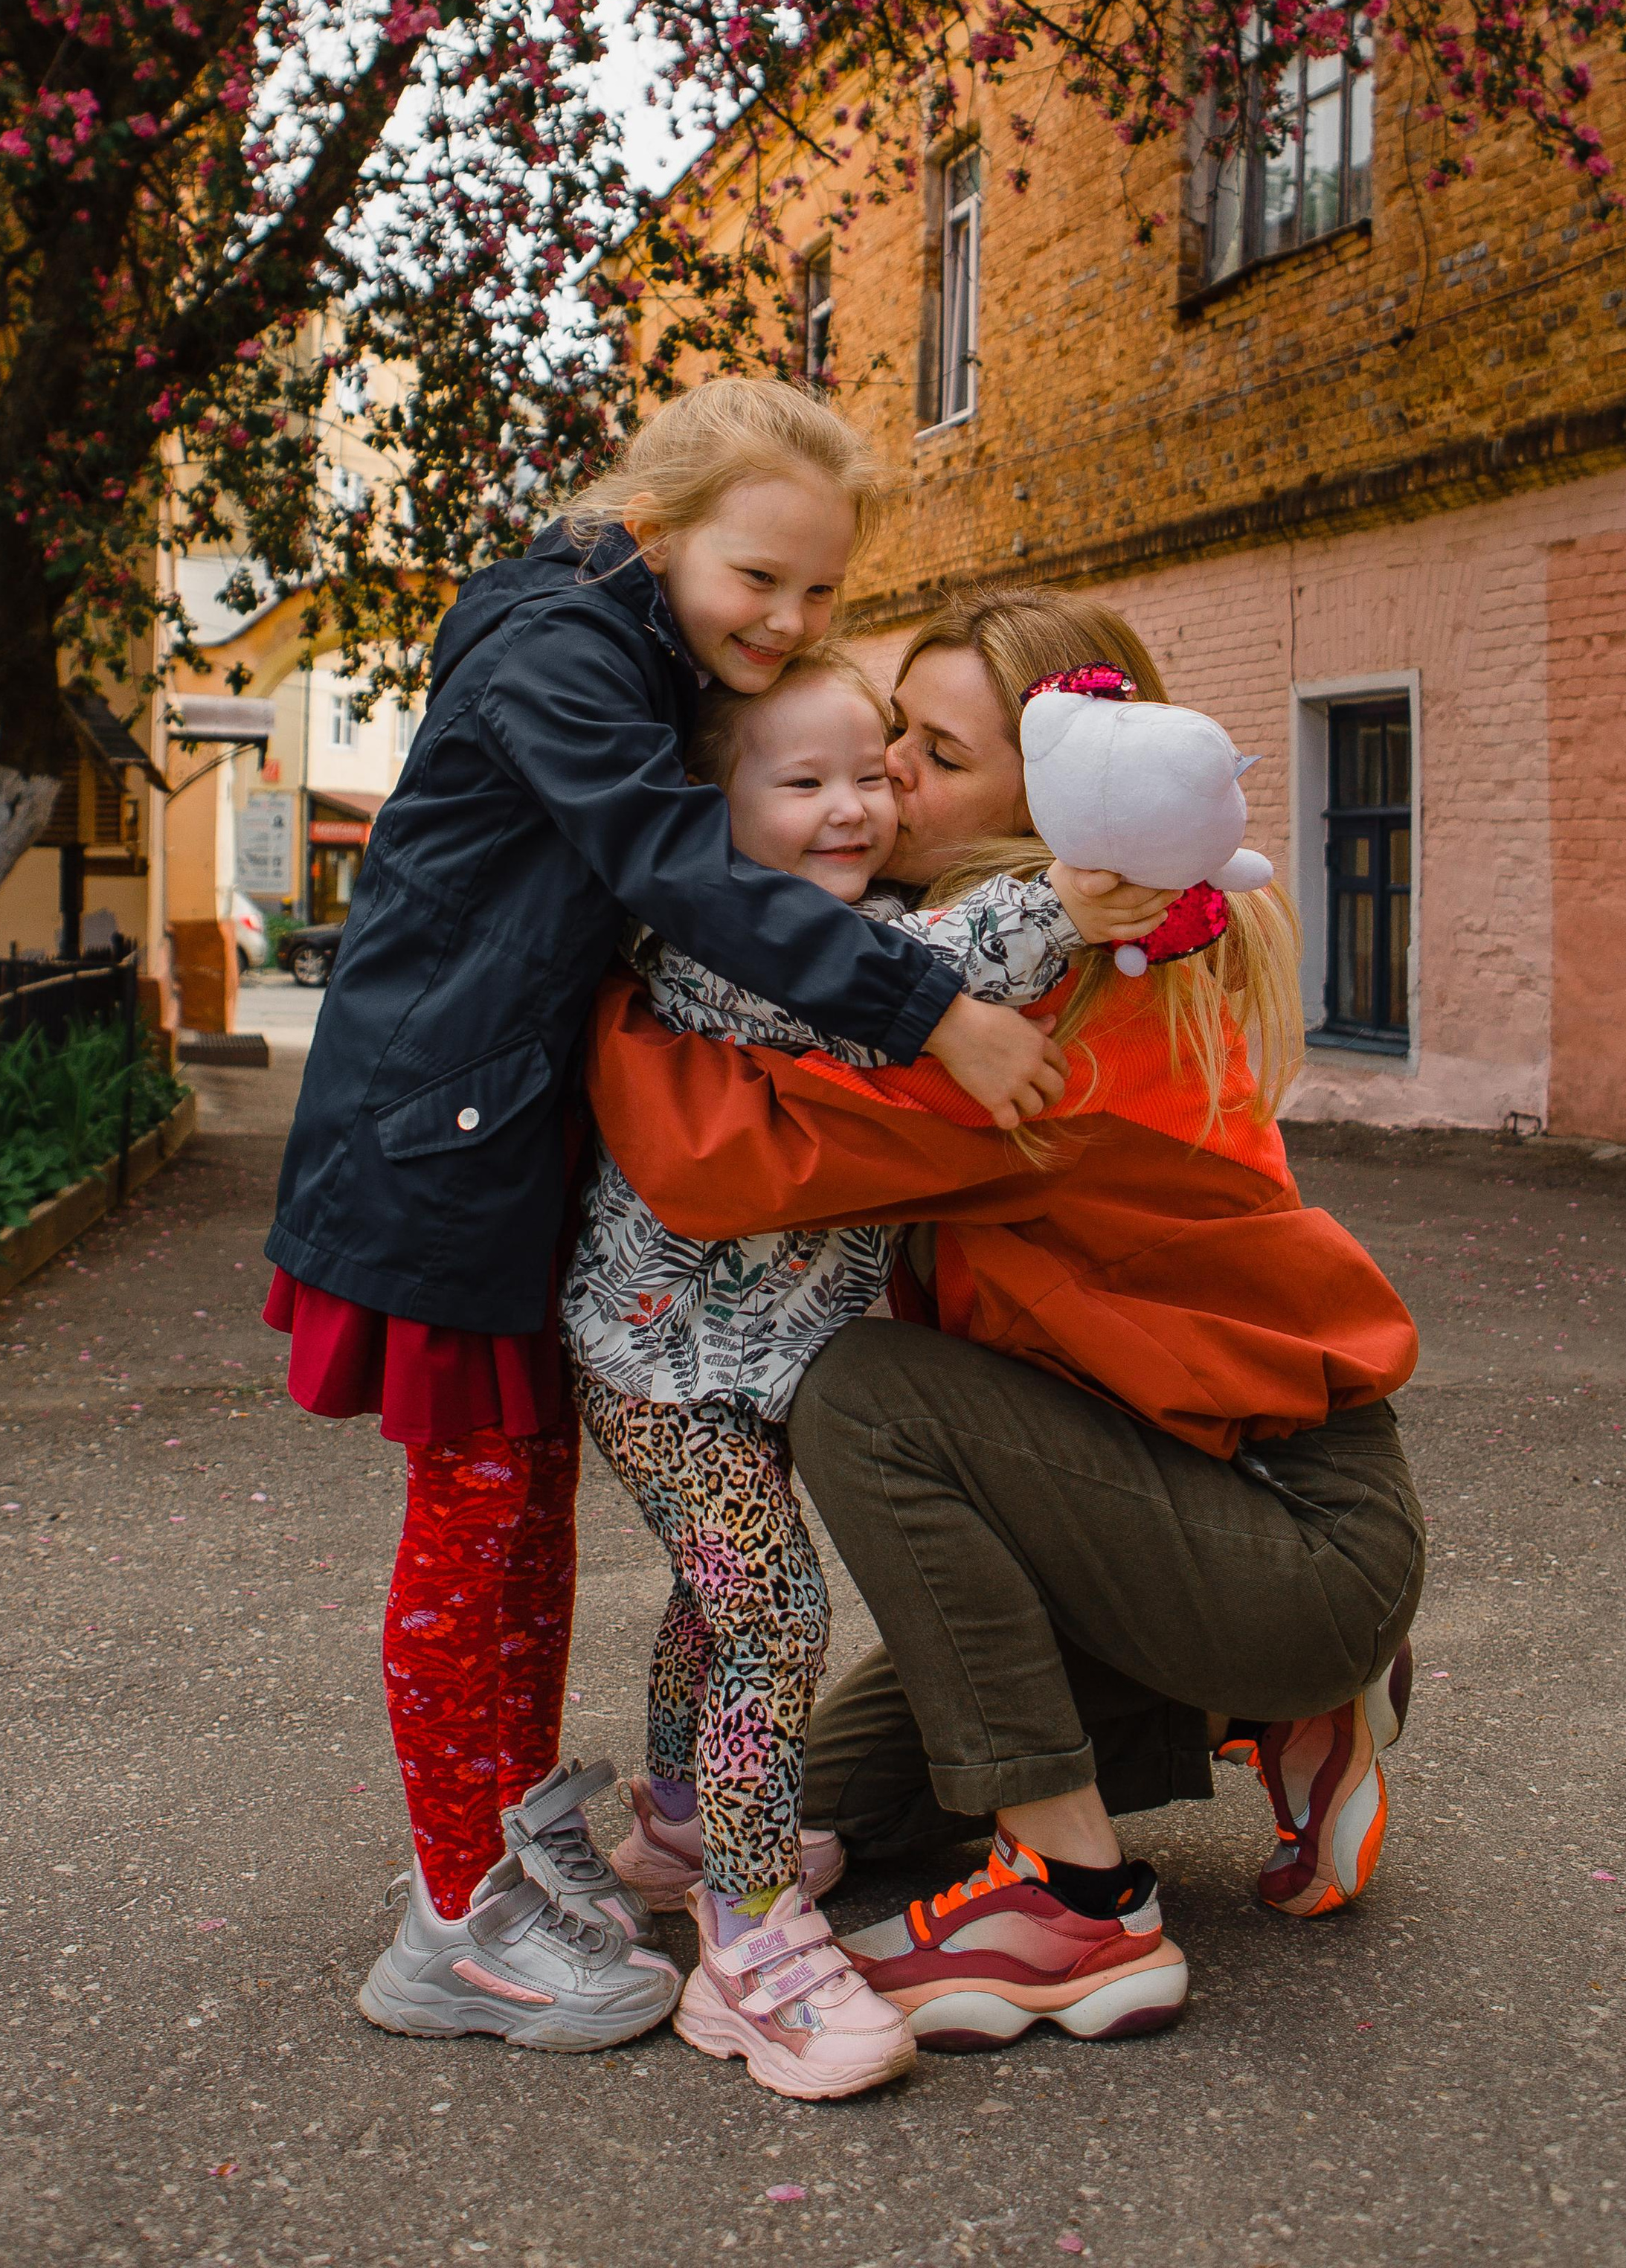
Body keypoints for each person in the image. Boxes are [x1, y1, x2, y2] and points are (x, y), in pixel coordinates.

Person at [260, 385, 1079, 2053]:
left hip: (488, 1135)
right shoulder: (568, 659)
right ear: (656, 530)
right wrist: (935, 1016)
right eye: (757, 578)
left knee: (522, 1525)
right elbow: (677, 867)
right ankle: (454, 1919)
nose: (786, 621)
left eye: (822, 593)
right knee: (476, 1539)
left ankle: (517, 1842)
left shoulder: (627, 648)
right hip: (438, 1151)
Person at [583, 585, 1427, 2053]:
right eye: (889, 729)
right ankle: (1267, 1701)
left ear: (1051, 809)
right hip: (1163, 1488)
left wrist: (616, 986)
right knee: (823, 1801)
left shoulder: (1044, 1019)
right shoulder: (976, 958)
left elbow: (704, 1154)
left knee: (861, 1392)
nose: (883, 770)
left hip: (1282, 1526)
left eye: (935, 750)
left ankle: (1070, 1903)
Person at [562, 643, 1164, 2098]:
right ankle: (748, 1939)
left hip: (766, 1359)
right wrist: (1055, 910)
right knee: (769, 1606)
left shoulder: (878, 917)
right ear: (713, 811)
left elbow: (916, 947)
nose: (849, 808)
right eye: (801, 781)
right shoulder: (704, 942)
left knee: (718, 1608)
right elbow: (871, 993)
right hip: (663, 1362)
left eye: (865, 775)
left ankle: (672, 1824)